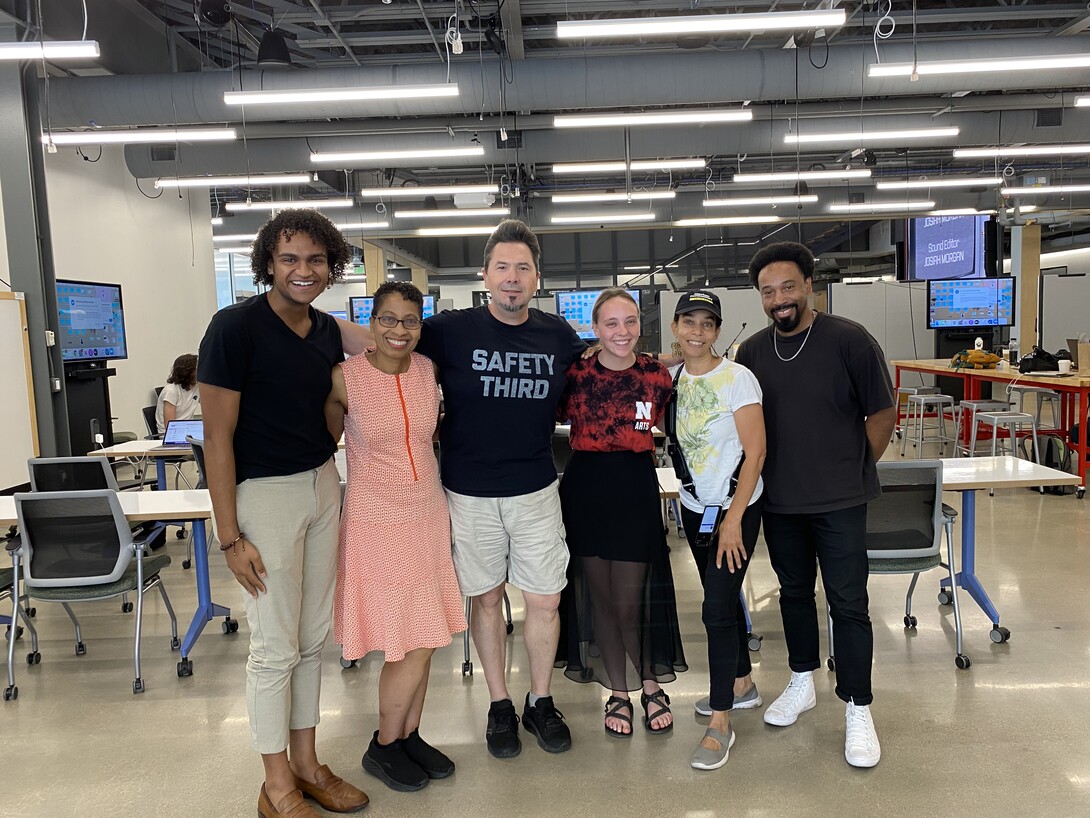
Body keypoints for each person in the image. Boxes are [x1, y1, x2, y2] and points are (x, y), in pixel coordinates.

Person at [339, 219, 586, 759]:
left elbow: (603, 366)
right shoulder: (451, 330)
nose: (513, 278)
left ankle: (540, 701)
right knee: (487, 597)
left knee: (545, 600)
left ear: (537, 278)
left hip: (536, 487)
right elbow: (387, 337)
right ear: (486, 274)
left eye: (523, 268)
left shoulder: (558, 335)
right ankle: (500, 705)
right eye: (503, 267)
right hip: (467, 492)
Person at [198, 209, 369, 818]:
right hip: (263, 497)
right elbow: (216, 439)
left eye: (316, 260)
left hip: (324, 484)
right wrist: (228, 537)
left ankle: (308, 763)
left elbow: (387, 341)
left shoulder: (323, 330)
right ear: (268, 261)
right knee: (274, 645)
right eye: (290, 258)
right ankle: (277, 784)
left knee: (311, 637)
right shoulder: (233, 328)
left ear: (332, 267)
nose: (303, 270)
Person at [735, 241, 896, 769]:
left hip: (841, 500)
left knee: (848, 604)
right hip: (781, 501)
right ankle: (802, 680)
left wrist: (851, 468)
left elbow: (881, 414)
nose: (779, 298)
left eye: (787, 287)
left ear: (809, 285)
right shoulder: (754, 351)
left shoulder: (849, 340)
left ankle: (858, 706)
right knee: (794, 594)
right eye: (767, 291)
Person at [325, 281, 466, 793]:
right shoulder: (345, 379)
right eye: (388, 319)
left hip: (428, 513)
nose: (399, 330)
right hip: (378, 523)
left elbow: (429, 437)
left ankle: (409, 735)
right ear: (371, 322)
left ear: (420, 325)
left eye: (410, 320)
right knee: (406, 644)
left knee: (428, 635)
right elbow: (320, 443)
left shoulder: (427, 371)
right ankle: (384, 745)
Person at [557, 289, 685, 738]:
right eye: (611, 324)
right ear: (595, 329)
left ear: (640, 325)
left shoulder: (655, 376)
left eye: (630, 321)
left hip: (635, 488)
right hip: (586, 489)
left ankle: (649, 679)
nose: (622, 332)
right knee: (603, 600)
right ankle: (620, 692)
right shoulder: (576, 374)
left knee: (630, 601)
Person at [666, 290, 767, 771]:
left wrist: (733, 519)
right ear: (675, 327)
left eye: (707, 324)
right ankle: (743, 684)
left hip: (737, 509)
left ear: (718, 331)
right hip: (692, 506)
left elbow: (756, 452)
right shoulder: (672, 379)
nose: (697, 332)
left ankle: (721, 722)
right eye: (688, 322)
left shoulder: (738, 379)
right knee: (720, 601)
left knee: (715, 609)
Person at [154, 353, 199, 434]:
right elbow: (170, 425)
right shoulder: (171, 391)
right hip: (171, 435)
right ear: (187, 371)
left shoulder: (196, 388)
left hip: (187, 433)